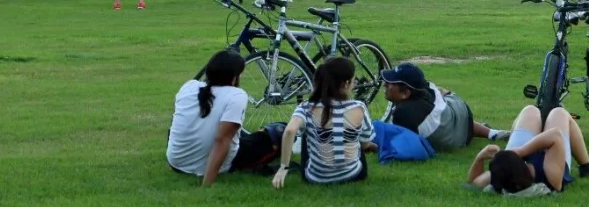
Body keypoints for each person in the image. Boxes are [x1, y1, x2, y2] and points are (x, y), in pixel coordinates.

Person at [167, 50, 283, 186]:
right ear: (234, 78)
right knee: (280, 132)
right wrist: (206, 184)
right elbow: (222, 141)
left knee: (235, 134)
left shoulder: (189, 86)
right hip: (213, 163)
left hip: (176, 162)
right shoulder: (236, 95)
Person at [273, 57, 376, 187]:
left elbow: (290, 130)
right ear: (346, 83)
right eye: (354, 80)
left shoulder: (306, 107)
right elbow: (365, 144)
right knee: (355, 137)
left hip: (316, 178)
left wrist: (283, 167)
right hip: (354, 175)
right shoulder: (359, 107)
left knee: (307, 131)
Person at [467, 105, 589, 196]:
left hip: (522, 159)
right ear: (522, 162)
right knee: (559, 113)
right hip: (551, 153)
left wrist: (480, 158)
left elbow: (473, 182)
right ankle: (587, 167)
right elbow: (555, 135)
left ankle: (521, 132)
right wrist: (521, 151)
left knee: (530, 110)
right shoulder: (550, 176)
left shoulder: (502, 176)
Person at [381, 63, 509, 153]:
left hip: (456, 136)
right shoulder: (426, 91)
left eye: (390, 83)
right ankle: (492, 133)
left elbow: (390, 144)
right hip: (460, 111)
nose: (385, 85)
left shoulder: (403, 114)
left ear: (405, 94)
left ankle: (492, 133)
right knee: (443, 96)